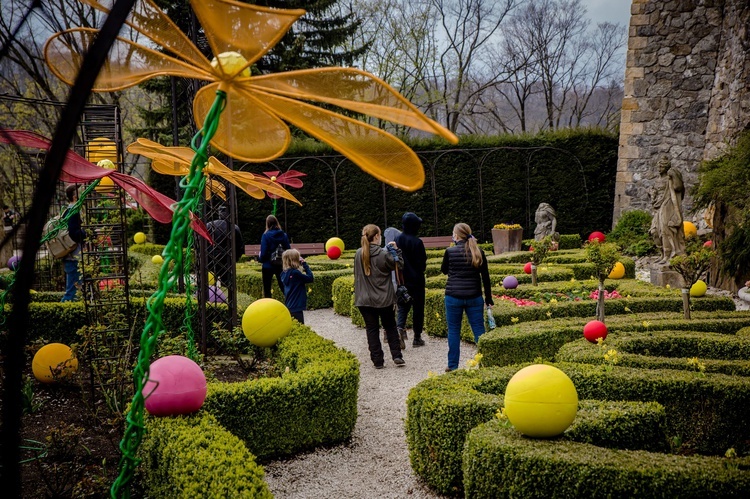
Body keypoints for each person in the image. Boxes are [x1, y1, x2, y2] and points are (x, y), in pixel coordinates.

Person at [441, 223, 494, 372]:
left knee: (453, 330)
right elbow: (486, 278)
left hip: (453, 296)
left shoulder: (450, 251)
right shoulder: (478, 251)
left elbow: (444, 270)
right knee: (478, 329)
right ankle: (485, 362)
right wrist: (488, 298)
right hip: (474, 296)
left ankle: (452, 366)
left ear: (456, 236)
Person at [354, 224, 406, 369]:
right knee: (390, 327)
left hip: (364, 299)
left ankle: (377, 361)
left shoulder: (358, 253)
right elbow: (399, 265)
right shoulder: (383, 254)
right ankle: (396, 356)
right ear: (376, 236)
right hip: (384, 299)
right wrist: (396, 250)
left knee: (372, 330)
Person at [395, 212, 427, 348]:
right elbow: (422, 264)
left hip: (402, 279)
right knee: (418, 308)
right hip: (417, 280)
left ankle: (399, 331)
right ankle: (417, 337)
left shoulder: (397, 240)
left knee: (403, 307)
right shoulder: (417, 242)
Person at [649, 156, 685, 264]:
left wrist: (674, 175)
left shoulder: (669, 178)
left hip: (667, 205)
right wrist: (652, 194)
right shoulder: (657, 180)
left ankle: (669, 254)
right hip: (657, 206)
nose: (659, 168)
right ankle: (662, 253)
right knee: (654, 231)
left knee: (666, 229)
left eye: (662, 166)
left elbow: (678, 187)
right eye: (658, 166)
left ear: (666, 167)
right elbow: (654, 192)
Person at [205, 205, 244, 286]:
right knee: (227, 285)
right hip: (227, 259)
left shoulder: (209, 225)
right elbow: (240, 246)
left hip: (211, 259)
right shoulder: (234, 227)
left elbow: (203, 243)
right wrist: (235, 258)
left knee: (209, 284)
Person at [61, 185, 86, 302]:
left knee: (75, 290)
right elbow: (74, 233)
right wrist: (87, 232)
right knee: (72, 292)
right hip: (73, 256)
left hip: (71, 255)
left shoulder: (68, 210)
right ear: (75, 196)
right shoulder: (73, 211)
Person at [259, 214, 290, 298]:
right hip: (280, 264)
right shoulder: (283, 235)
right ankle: (290, 303)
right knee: (283, 285)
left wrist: (261, 259)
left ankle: (268, 306)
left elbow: (264, 252)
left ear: (267, 224)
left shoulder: (265, 235)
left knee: (267, 287)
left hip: (268, 264)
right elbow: (288, 249)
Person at [280, 248, 314, 324]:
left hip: (289, 304)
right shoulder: (295, 273)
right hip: (297, 305)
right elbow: (310, 278)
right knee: (300, 324)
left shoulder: (283, 273)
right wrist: (305, 265)